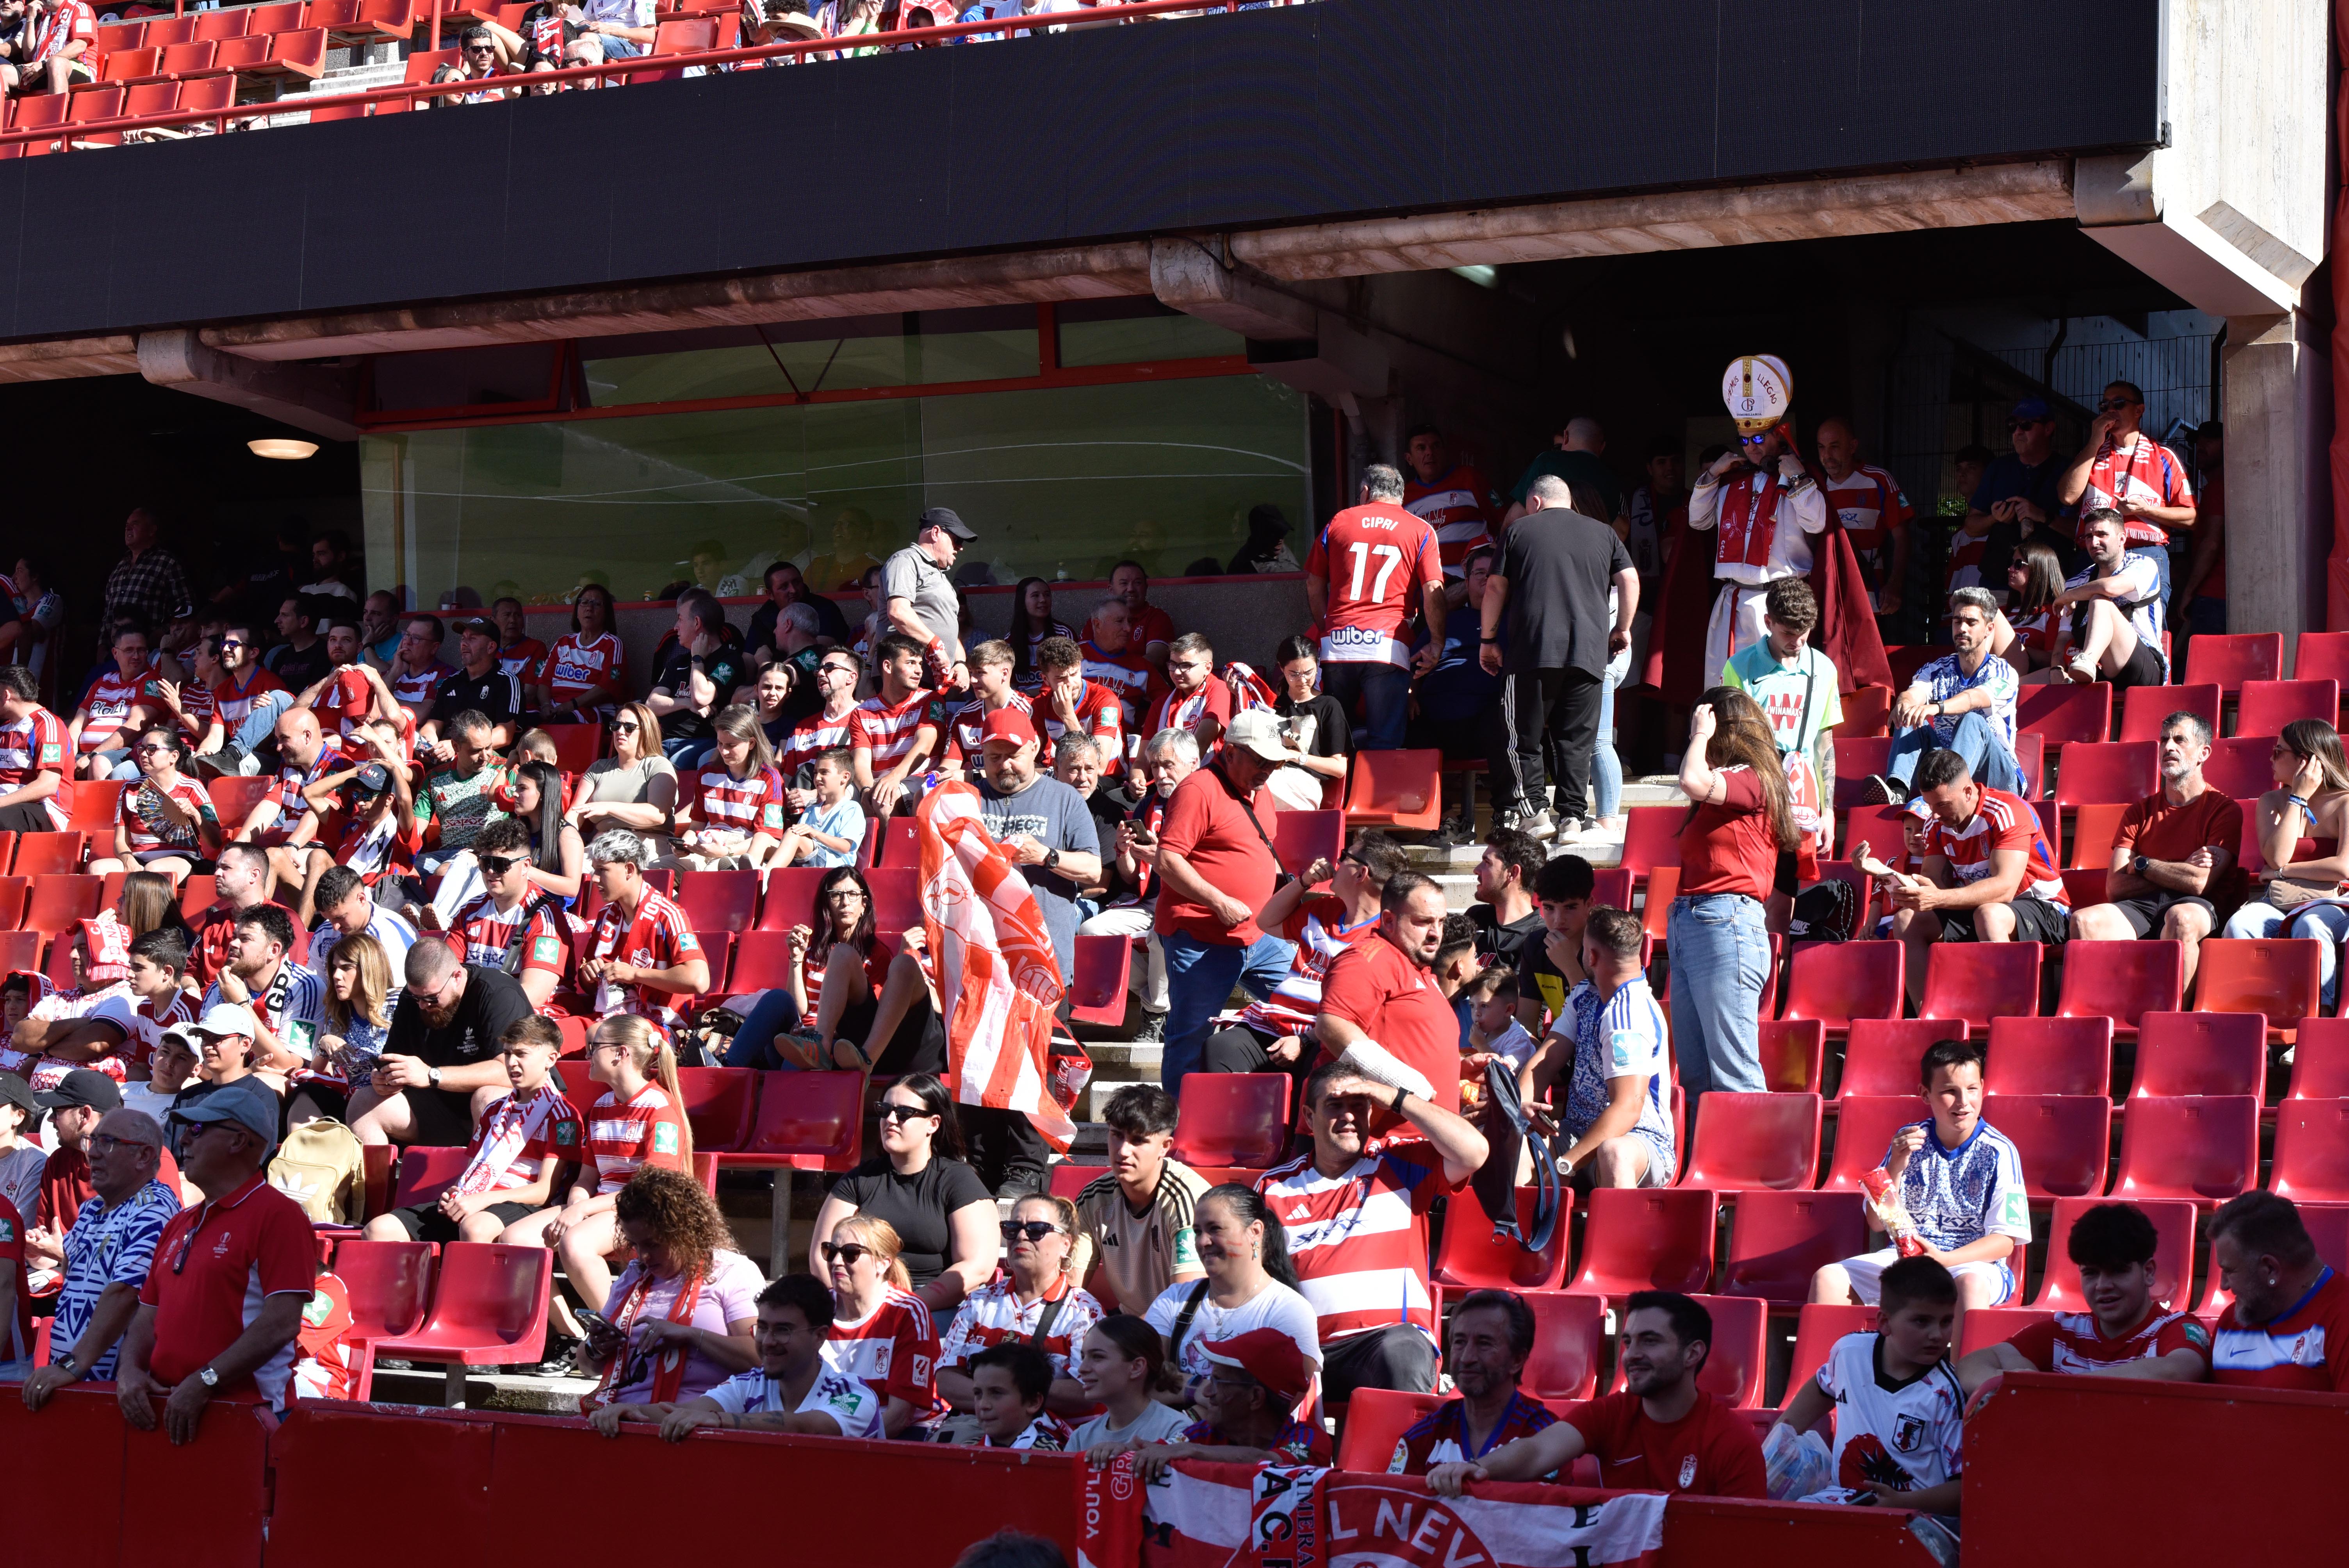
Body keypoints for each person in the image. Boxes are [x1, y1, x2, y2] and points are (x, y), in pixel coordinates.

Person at [1256, 1061, 1485, 1401]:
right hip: (1303, 1351)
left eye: (1359, 1105)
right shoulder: (1274, 1186)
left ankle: (1408, 1454)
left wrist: (1392, 1096)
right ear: (1308, 1116)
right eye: (1335, 1106)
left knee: (1402, 1350)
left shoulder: (1400, 1164)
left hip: (1384, 1342)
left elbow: (1474, 1151)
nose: (1349, 1116)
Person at [113, 1077, 312, 1434]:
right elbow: (147, 1317)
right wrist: (129, 1371)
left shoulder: (278, 1216)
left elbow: (283, 1322)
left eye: (199, 1129)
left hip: (247, 1414)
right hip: (170, 1408)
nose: (184, 1139)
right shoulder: (180, 1222)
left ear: (239, 1141)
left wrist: (205, 1381)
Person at [1428, 1290, 1766, 1499]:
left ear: (1693, 1354)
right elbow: (1536, 1451)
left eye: (1650, 1341)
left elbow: (1742, 1545)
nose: (1631, 1355)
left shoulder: (1734, 1441)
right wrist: (1477, 1469)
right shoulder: (1610, 1414)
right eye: (1628, 1341)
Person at [1809, 1037, 2028, 1313]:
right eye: (1949, 1091)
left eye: (1972, 1089)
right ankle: (1840, 1358)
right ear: (1925, 1094)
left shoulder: (2001, 1150)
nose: (1963, 1102)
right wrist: (1896, 1166)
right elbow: (1877, 1223)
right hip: (1906, 1259)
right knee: (1829, 1278)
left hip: (1974, 1265)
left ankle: (1967, 1359)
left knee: (1970, 1285)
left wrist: (1944, 1259)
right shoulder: (1908, 1141)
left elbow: (2005, 1241)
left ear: (1983, 1088)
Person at [1481, 473, 1637, 839]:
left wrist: (1488, 638)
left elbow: (1494, 585)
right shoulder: (1604, 533)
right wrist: (1623, 628)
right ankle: (1572, 817)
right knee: (1577, 740)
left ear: (1535, 502)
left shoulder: (1519, 531)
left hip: (1532, 652)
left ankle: (1535, 813)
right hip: (1589, 653)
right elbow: (1630, 579)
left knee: (1522, 736)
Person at [502, 1013, 688, 1319]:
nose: (587, 1054)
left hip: (643, 1210)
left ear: (621, 1054)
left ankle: (619, 1335)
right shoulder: (601, 1108)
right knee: (516, 1240)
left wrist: (583, 1211)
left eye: (595, 1047)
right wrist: (577, 1201)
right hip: (603, 1207)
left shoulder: (661, 1108)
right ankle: (567, 1331)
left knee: (575, 1245)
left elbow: (651, 1191)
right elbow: (588, 1178)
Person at [1199, 829, 1403, 1099]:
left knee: (1319, 1071)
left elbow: (1360, 1015)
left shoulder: (1384, 936)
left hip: (1324, 1035)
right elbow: (1266, 922)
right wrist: (1304, 882)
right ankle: (1232, 1135)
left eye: (1345, 857)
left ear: (1361, 874)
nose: (1336, 863)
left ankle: (1293, 1139)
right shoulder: (1324, 910)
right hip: (1278, 1022)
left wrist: (1305, 1041)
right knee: (1221, 1048)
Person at [1154, 709, 1294, 1098]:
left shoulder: (1259, 789)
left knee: (1305, 1004)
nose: (1269, 768)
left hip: (1258, 936)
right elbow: (1168, 861)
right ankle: (1179, 1129)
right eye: (1260, 759)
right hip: (1201, 936)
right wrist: (1217, 900)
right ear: (1230, 752)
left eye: (1275, 761)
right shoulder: (1198, 789)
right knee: (1191, 1033)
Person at [1666, 690, 1799, 1097]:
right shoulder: (1729, 787)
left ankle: (1756, 1162)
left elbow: (1691, 780)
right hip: (1693, 921)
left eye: (1704, 723)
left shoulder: (1755, 778)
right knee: (1696, 1078)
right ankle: (1701, 1159)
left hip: (1726, 923)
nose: (1695, 732)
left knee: (1733, 1074)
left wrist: (1699, 735)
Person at [363, 1016, 579, 1245]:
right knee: (379, 1229)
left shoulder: (564, 1117)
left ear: (551, 1059)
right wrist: (457, 1193)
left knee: (475, 1228)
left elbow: (545, 1191)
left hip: (522, 1206)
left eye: (522, 1054)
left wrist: (483, 1199)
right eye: (507, 1054)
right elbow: (472, 1171)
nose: (512, 1062)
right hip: (476, 1202)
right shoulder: (494, 1110)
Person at [1955, 1202, 2210, 1394]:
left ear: (2148, 1272)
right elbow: (1971, 1365)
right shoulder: (2062, 1332)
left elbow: (2180, 1370)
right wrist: (2016, 1381)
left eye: (2118, 1271)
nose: (2103, 1286)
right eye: (2091, 1273)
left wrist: (2056, 1389)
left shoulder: (2177, 1327)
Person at [1878, 748, 2070, 1003]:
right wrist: (1884, 874)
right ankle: (1930, 1016)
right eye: (1929, 805)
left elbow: (2005, 889)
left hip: (2044, 908)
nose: (1934, 814)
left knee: (1990, 915)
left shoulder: (2006, 810)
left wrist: (1937, 898)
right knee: (1907, 921)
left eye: (1942, 805)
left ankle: (2009, 1017)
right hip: (1979, 907)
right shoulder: (1936, 823)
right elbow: (1932, 881)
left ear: (1968, 792)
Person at [16, 1108, 177, 1408]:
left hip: (117, 1390)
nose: (95, 1155)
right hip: (74, 1381)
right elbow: (79, 1276)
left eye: (109, 1143)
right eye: (94, 1143)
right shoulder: (93, 1208)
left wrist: (74, 1365)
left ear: (144, 1156)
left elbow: (126, 1292)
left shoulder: (154, 1205)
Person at [2068, 711, 2239, 991]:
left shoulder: (2223, 809)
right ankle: (2102, 1015)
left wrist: (2143, 864)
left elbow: (2198, 883)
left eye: (2180, 740)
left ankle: (2174, 1020)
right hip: (2142, 905)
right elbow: (2116, 887)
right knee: (2085, 921)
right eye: (2164, 740)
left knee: (2180, 919)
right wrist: (2179, 866)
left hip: (2198, 906)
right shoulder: (2139, 812)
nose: (2169, 747)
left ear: (2203, 753)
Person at [1780, 1256, 1964, 1515]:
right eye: (1922, 1321)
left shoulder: (1947, 1393)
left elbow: (1964, 1491)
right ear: (1884, 1323)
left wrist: (1901, 1504)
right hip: (1843, 1500)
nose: (1937, 1334)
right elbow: (1823, 1387)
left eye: (1946, 1321)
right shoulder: (1850, 1352)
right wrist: (1782, 1434)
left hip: (1917, 1518)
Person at [579, 1165, 763, 1421]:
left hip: (692, 1423)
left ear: (686, 1232)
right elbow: (588, 1366)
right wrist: (595, 1348)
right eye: (635, 1244)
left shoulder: (732, 1271)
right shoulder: (634, 1275)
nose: (642, 1256)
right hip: (618, 1419)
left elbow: (761, 1357)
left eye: (654, 1244)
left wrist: (691, 1336)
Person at [623, 1273, 885, 1443]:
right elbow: (685, 1411)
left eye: (783, 1330)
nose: (768, 1342)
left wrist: (721, 1420)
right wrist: (628, 1412)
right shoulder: (747, 1384)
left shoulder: (853, 1395)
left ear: (820, 1336)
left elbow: (808, 1428)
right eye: (763, 1328)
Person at [811, 1073, 996, 1315]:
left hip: (935, 1307)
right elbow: (820, 1256)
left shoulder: (958, 1180)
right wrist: (857, 1305)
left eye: (904, 1113)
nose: (890, 1119)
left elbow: (976, 1267)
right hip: (861, 1302)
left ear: (933, 1124)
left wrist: (908, 1306)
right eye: (884, 1110)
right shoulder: (858, 1180)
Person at [1520, 906, 1675, 1188]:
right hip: (1575, 1134)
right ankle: (1520, 1233)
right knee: (1517, 1143)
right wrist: (1520, 1104)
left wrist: (1566, 1165)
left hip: (1638, 1141)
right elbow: (1546, 1060)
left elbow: (1628, 1108)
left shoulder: (1628, 1015)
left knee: (1614, 1152)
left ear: (1590, 956)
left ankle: (1619, 1233)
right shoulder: (1584, 995)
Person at [1685, 393, 1829, 685]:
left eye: (1759, 439)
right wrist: (1713, 473)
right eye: (1744, 440)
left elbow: (1817, 523)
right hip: (1731, 602)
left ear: (1778, 434)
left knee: (1770, 689)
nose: (1751, 448)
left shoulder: (1801, 478)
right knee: (1723, 688)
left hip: (1777, 601)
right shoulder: (1730, 480)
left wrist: (1799, 478)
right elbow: (1698, 520)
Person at [1304, 463, 1446, 752]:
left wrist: (1326, 628)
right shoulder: (1420, 529)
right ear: (1401, 496)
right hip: (1387, 647)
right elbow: (1433, 589)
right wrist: (1437, 642)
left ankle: (1336, 798)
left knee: (1333, 743)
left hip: (1339, 644)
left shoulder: (1339, 522)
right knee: (1386, 744)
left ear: (1366, 492)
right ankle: (1380, 797)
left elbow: (1313, 584)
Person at [345, 938, 531, 1148]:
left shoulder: (496, 993)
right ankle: (377, 1181)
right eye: (418, 998)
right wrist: (386, 1079)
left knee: (488, 1098)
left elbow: (512, 1072)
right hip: (443, 1108)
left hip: (515, 1104)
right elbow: (397, 1060)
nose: (424, 1005)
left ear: (457, 977)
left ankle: (483, 1179)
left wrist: (432, 1075)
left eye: (432, 998)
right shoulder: (414, 999)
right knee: (363, 1103)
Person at [1141, 1183, 1319, 1400]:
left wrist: (1185, 1391)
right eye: (1198, 1232)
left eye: (1215, 1229)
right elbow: (1142, 1384)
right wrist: (1199, 1391)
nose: (1202, 1242)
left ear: (1255, 1232)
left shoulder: (1289, 1311)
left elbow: (1269, 1407)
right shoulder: (1174, 1300)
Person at [935, 1193, 1101, 1424]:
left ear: (1066, 1244)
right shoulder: (978, 1302)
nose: (1021, 1236)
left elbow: (1086, 1391)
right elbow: (947, 1380)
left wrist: (1006, 1395)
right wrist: (1013, 1397)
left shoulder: (1083, 1311)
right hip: (974, 1432)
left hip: (1053, 1440)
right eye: (1012, 1228)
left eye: (1037, 1229)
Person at [1076, 726, 1191, 1044]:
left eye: (1169, 765)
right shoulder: (1150, 805)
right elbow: (1129, 877)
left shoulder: (1204, 801)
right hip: (1148, 901)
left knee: (1161, 934)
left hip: (1190, 901)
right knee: (1090, 933)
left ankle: (1154, 1014)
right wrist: (1125, 852)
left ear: (1193, 764)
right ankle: (1157, 1003)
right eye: (1155, 766)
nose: (1161, 773)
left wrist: (1160, 858)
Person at [2222, 720, 2349, 1006]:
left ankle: (2319, 1017)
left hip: (2335, 902)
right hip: (2281, 901)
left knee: (2311, 926)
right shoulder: (2271, 801)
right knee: (2239, 925)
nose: (2271, 758)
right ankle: (2256, 1012)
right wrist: (2299, 798)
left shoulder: (2345, 802)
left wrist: (2283, 872)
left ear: (2305, 760)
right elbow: (2277, 854)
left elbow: (2343, 868)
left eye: (2279, 751)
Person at [1314, 871, 1463, 1113]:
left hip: (1425, 1137)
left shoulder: (1415, 965)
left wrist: (1461, 1068)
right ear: (1389, 920)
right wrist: (1405, 1088)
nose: (1436, 933)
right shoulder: (1367, 958)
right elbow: (1332, 1026)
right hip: (1374, 1141)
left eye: (1441, 922)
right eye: (1424, 922)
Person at [1866, 589, 2023, 803]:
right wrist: (1905, 704)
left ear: (1989, 629)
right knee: (1911, 715)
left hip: (1999, 779)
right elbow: (1913, 694)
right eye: (1957, 622)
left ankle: (1947, 793)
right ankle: (1897, 793)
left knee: (1973, 720)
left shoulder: (2003, 672)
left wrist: (1937, 707)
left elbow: (1974, 698)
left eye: (1971, 623)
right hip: (1946, 768)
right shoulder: (1937, 669)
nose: (1962, 629)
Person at [1721, 577, 1840, 858]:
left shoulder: (1825, 669)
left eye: (1804, 632)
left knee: (1789, 891)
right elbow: (1729, 743)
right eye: (1788, 633)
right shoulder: (1739, 667)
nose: (1797, 642)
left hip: (1802, 798)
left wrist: (1829, 812)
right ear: (1768, 622)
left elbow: (1825, 744)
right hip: (1754, 792)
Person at [1070, 1084, 1206, 1316]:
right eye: (1117, 1136)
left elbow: (1184, 1302)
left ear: (1165, 1147)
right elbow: (1070, 1290)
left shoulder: (1188, 1199)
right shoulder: (1093, 1198)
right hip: (1130, 1327)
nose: (1123, 1151)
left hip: (1186, 1331)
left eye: (1138, 1141)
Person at [1386, 1290, 1557, 1474]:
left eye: (1484, 1344)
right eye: (1460, 1342)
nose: (1467, 1358)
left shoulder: (1544, 1434)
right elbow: (1391, 1500)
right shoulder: (1423, 1437)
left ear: (1517, 1360)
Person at [2206, 1190, 2349, 1392]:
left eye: (2229, 1271)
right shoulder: (2230, 1323)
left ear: (2270, 1269)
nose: (2223, 1285)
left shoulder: (2342, 1317)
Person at [817, 1212, 940, 1436]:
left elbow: (899, 1417)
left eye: (850, 1253)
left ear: (882, 1264)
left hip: (905, 1433)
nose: (836, 1261)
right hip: (831, 1429)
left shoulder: (908, 1312)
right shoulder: (815, 1309)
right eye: (830, 1251)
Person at [577, 828, 711, 1035]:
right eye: (595, 870)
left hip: (659, 1028)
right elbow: (590, 988)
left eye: (602, 870)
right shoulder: (605, 916)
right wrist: (590, 975)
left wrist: (636, 974)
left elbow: (699, 981)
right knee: (541, 1038)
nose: (595, 879)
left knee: (597, 1037)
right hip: (607, 1020)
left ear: (629, 870)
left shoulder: (668, 914)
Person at [2057, 379, 2195, 552]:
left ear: (2139, 410)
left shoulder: (2164, 456)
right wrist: (2095, 442)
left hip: (2144, 550)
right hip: (2094, 552)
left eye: (2119, 403)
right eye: (2104, 406)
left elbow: (2192, 518)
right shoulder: (2091, 454)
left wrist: (2146, 510)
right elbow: (2068, 497)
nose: (2111, 410)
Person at [200, 905, 328, 1080]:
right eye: (235, 937)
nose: (233, 943)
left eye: (245, 939)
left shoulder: (305, 986)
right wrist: (247, 1073)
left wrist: (241, 1004)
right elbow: (199, 1061)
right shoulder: (222, 986)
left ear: (274, 950)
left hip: (286, 1090)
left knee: (267, 1080)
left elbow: (289, 1065)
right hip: (235, 1078)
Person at [2048, 509, 2168, 689]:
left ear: (2122, 539)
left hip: (2143, 668)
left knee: (2100, 600)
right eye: (2088, 537)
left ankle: (2088, 659)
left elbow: (2108, 588)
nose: (2094, 542)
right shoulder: (2076, 582)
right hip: (2092, 673)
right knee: (2024, 686)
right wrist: (2056, 668)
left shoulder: (2144, 565)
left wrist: (2069, 595)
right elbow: (2064, 637)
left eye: (2102, 534)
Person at [667, 704, 790, 871]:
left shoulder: (770, 778)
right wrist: (685, 845)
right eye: (720, 744)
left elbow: (765, 837)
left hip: (742, 849)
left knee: (708, 877)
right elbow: (696, 827)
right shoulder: (706, 773)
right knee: (654, 872)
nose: (724, 751)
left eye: (731, 745)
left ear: (752, 743)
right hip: (705, 846)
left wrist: (726, 851)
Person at [1815, 416, 1914, 621]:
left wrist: (1895, 585)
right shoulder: (1812, 486)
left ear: (1853, 446)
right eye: (1822, 448)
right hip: (1823, 598)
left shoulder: (1879, 480)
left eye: (1834, 447)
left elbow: (1903, 536)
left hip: (1868, 595)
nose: (1827, 455)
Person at [91, 727, 220, 880]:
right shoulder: (129, 788)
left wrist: (195, 814)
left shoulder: (193, 787)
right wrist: (128, 860)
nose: (144, 754)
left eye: (152, 749)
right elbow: (120, 841)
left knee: (154, 871)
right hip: (139, 860)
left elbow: (216, 841)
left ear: (173, 756)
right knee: (97, 869)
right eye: (141, 749)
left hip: (183, 859)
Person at [566, 701, 679, 862]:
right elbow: (575, 815)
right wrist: (566, 841)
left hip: (646, 843)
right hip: (603, 843)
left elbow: (657, 815)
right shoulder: (598, 768)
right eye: (616, 726)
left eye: (629, 728)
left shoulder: (658, 765)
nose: (620, 731)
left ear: (646, 731)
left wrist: (608, 807)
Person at [882, 507, 979, 692]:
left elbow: (949, 626)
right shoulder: (905, 561)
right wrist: (936, 646)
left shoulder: (941, 576)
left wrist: (959, 662)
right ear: (936, 533)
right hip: (904, 678)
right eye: (957, 540)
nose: (960, 547)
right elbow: (898, 611)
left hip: (933, 681)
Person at [849, 632, 945, 816]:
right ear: (888, 666)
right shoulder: (862, 712)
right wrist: (866, 791)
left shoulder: (930, 699)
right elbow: (861, 762)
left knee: (885, 801)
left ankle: (890, 847)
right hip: (877, 783)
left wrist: (893, 778)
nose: (919, 671)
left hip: (920, 780)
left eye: (920, 664)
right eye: (911, 663)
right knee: (836, 798)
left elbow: (925, 744)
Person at [648, 591, 747, 768]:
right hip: (663, 742)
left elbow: (702, 698)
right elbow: (652, 704)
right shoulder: (677, 662)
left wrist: (698, 660)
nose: (675, 627)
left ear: (697, 623)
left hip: (702, 743)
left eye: (680, 619)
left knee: (667, 770)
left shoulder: (730, 660)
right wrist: (687, 704)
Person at [1069, 1316, 1188, 1457]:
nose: (1082, 1369)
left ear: (1137, 1367)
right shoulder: (1081, 1437)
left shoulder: (1177, 1429)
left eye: (1098, 1357)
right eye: (1083, 1357)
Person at [1400, 424, 1500, 586]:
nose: (1430, 452)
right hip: (1428, 589)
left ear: (1445, 451)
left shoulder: (1470, 478)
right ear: (1409, 459)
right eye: (1421, 448)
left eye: (1436, 446)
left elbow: (1503, 521)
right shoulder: (1404, 498)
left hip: (1473, 585)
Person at [307, 930, 394, 1116]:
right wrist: (325, 1044)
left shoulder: (398, 1006)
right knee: (306, 1093)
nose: (336, 976)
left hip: (390, 1100)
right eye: (334, 968)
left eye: (346, 968)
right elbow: (318, 1074)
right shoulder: (339, 1014)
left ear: (369, 969)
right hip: (348, 1101)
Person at [1264, 634, 1351, 814]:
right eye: (1294, 674)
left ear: (1317, 666)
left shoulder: (1328, 706)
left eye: (1309, 672)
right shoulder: (1271, 705)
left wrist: (1294, 756)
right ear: (1282, 669)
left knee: (1252, 785)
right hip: (1269, 774)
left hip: (1304, 782)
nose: (1303, 680)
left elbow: (1339, 768)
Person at [306, 863, 418, 1002]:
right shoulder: (325, 933)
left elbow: (398, 999)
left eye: (340, 918)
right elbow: (315, 987)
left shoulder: (389, 936)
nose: (335, 927)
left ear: (361, 899)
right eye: (329, 919)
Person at [1036, 635, 1130, 791]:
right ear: (1045, 679)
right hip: (1065, 776)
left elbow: (1098, 766)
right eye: (1060, 678)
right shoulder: (1041, 703)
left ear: (1080, 667)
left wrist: (1068, 716)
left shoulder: (1106, 701)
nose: (1070, 683)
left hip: (1108, 780)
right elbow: (1027, 758)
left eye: (1074, 674)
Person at [70, 622, 162, 781]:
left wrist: (93, 755)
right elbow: (78, 723)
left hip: (124, 752)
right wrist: (67, 755)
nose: (136, 656)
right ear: (115, 653)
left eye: (141, 650)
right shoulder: (103, 681)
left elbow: (135, 727)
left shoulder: (151, 682)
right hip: (85, 755)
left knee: (99, 763)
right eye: (129, 650)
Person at [419, 617, 522, 752]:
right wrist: (427, 744)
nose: (464, 644)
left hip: (485, 764)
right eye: (463, 638)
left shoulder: (507, 682)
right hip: (447, 762)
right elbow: (432, 725)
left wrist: (458, 747)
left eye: (472, 639)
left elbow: (505, 735)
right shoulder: (450, 683)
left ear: (491, 647)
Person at [939, 639, 1031, 782]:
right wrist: (935, 778)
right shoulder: (964, 717)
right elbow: (950, 766)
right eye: (971, 673)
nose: (973, 680)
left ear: (1005, 674)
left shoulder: (1030, 711)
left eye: (980, 673)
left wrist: (974, 775)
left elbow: (1038, 771)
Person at [538, 583, 631, 723]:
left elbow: (608, 687)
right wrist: (546, 706)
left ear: (606, 613)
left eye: (597, 604)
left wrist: (572, 705)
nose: (589, 608)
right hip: (557, 708)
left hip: (593, 711)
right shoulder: (563, 642)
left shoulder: (612, 644)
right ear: (577, 610)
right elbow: (544, 682)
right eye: (585, 603)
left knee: (563, 722)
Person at [100, 509, 190, 648]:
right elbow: (108, 615)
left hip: (150, 652)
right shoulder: (120, 567)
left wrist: (161, 635)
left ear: (152, 530)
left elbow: (185, 608)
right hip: (116, 653)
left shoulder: (167, 563)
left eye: (135, 524)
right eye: (127, 525)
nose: (128, 528)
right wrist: (102, 647)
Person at [960, 1341, 1070, 1450]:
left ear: (1033, 1402)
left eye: (997, 1393)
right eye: (978, 1393)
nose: (983, 1405)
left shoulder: (1049, 1458)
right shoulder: (963, 1451)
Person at [1143, 633, 1232, 764]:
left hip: (1205, 775)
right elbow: (1143, 759)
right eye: (1173, 664)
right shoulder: (1161, 704)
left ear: (1207, 668)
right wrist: (1137, 777)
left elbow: (1200, 744)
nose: (1177, 672)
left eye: (1186, 666)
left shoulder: (1220, 690)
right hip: (1165, 776)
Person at [0, 663, 68, 832]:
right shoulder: (5, 728)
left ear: (6, 695)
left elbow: (47, 786)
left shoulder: (48, 725)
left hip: (45, 810)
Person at [1079, 597, 1158, 738]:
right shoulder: (1076, 657)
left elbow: (1170, 701)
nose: (1128, 629)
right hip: (1077, 738)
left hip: (1123, 745)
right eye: (1120, 621)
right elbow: (1049, 696)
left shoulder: (1142, 667)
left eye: (1130, 622)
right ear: (1097, 625)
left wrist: (1155, 720)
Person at [1467, 825, 1545, 966]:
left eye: (1487, 862)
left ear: (1513, 873)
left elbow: (1515, 988)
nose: (1477, 870)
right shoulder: (1475, 917)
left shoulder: (1538, 936)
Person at [1005, 578, 1075, 693]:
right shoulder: (1010, 640)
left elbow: (1070, 679)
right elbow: (1009, 684)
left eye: (1047, 595)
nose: (1043, 600)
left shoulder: (1064, 635)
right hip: (1021, 703)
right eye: (1035, 596)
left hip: (1054, 700)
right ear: (1022, 602)